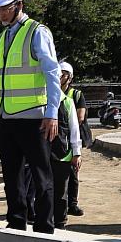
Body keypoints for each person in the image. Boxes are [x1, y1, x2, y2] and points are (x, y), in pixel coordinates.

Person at [0, 0, 62, 234]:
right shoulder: (1, 38)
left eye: (3, 8)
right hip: (8, 119)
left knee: (42, 176)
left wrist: (52, 113)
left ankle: (44, 226)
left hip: (35, 119)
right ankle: (16, 221)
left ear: (19, 4)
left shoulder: (37, 31)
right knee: (12, 177)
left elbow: (52, 74)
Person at [51, 64, 82, 229]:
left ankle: (60, 222)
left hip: (63, 154)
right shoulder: (43, 100)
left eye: (63, 75)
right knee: (44, 189)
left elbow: (74, 129)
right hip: (44, 153)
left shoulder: (68, 102)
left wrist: (77, 153)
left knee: (61, 192)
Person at [61, 62, 91, 216]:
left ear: (70, 77)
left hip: (71, 139)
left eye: (64, 74)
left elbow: (79, 117)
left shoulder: (76, 95)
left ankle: (72, 204)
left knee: (73, 173)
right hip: (58, 140)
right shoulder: (49, 92)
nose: (60, 76)